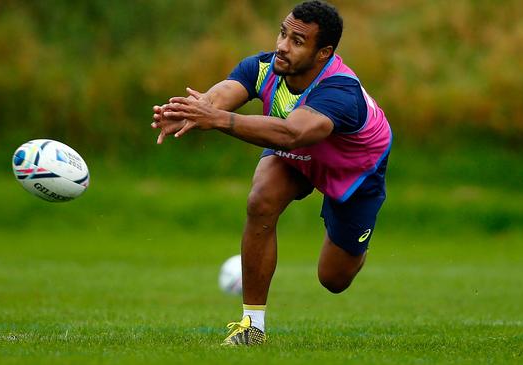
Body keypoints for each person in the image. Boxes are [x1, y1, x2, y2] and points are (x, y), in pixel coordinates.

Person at [151, 0, 391, 346]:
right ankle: (252, 326)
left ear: (323, 53)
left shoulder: (340, 90)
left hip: (353, 169)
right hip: (297, 149)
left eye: (297, 41)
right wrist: (196, 109)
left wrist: (217, 120)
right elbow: (223, 95)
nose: (282, 45)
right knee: (261, 198)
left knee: (334, 279)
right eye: (282, 33)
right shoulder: (264, 66)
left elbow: (293, 133)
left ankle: (355, 246)